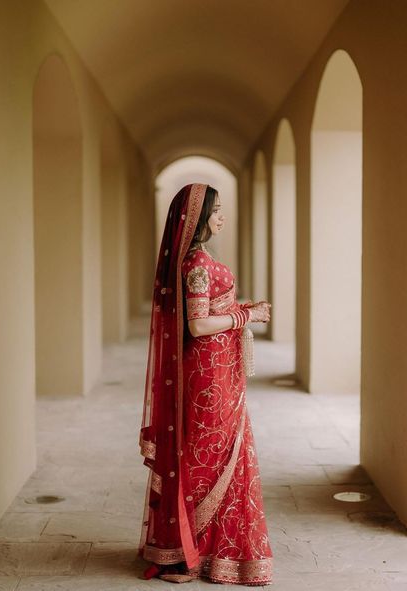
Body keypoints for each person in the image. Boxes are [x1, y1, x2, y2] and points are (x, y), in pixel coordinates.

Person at [138, 182, 273, 585]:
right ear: (197, 219)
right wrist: (245, 318)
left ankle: (211, 550)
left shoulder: (199, 259)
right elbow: (197, 325)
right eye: (216, 211)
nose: (222, 217)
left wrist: (242, 309)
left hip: (218, 370)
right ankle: (189, 549)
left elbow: (211, 310)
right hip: (208, 376)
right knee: (205, 456)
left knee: (214, 453)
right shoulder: (196, 264)